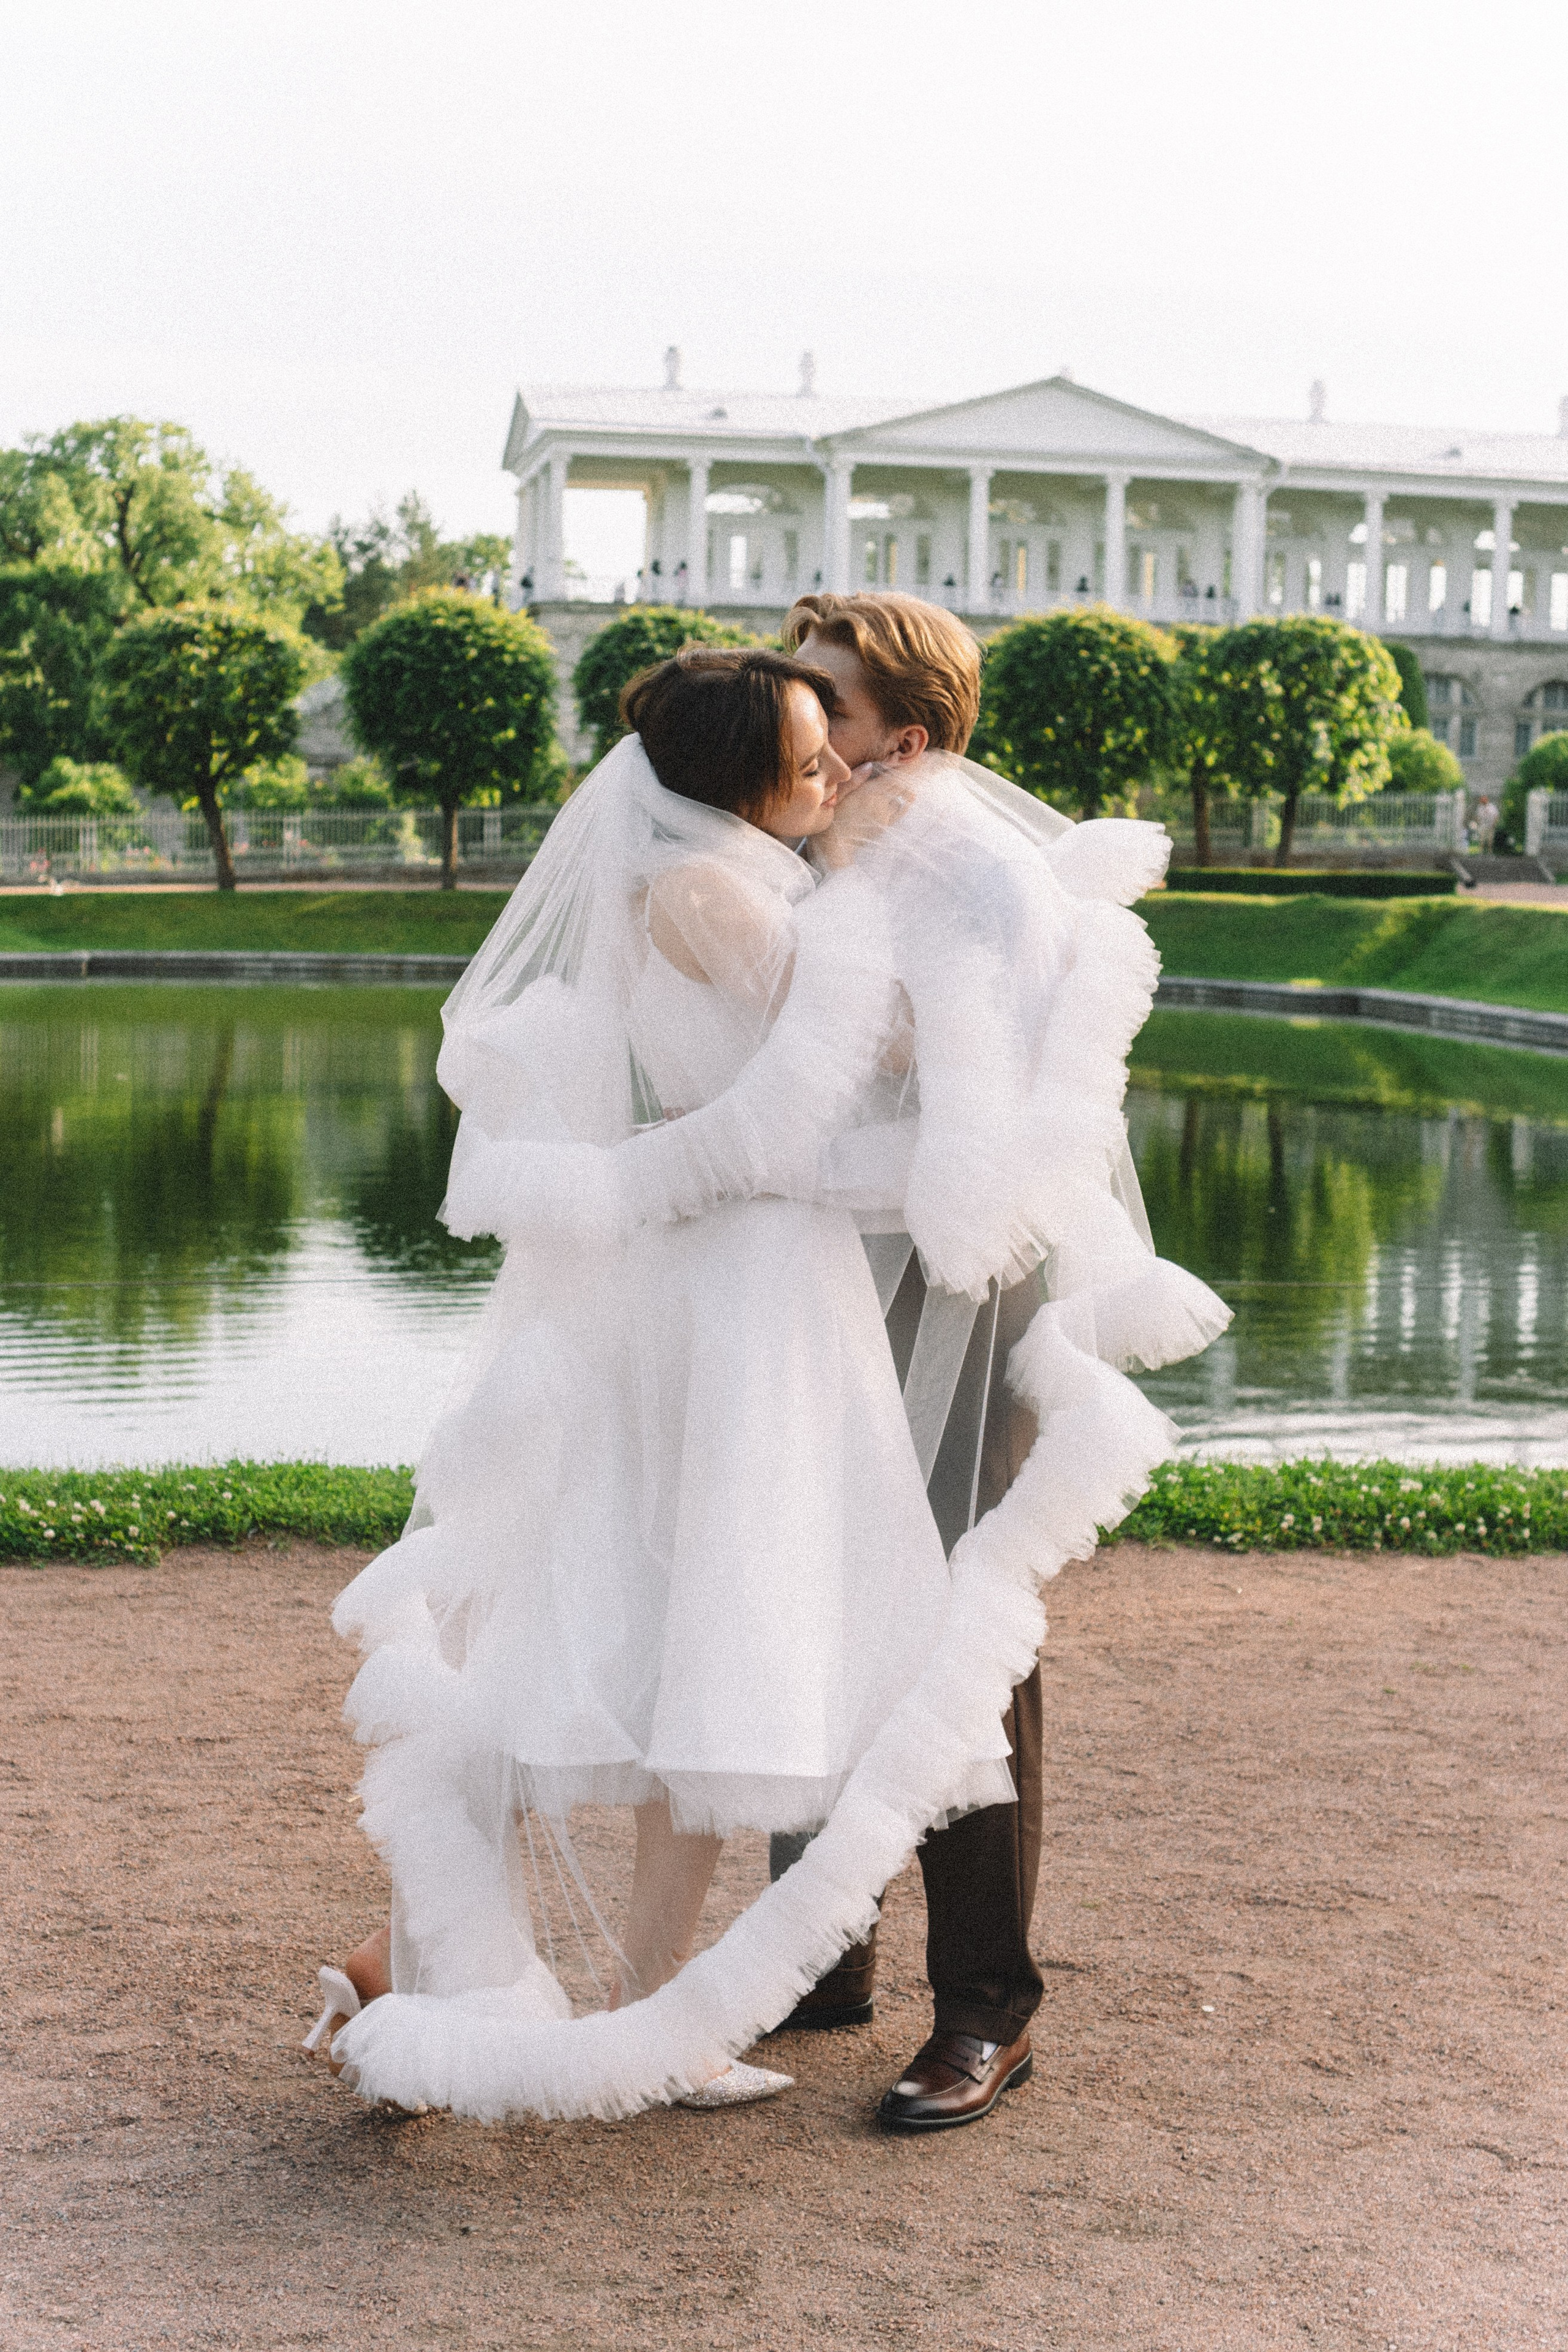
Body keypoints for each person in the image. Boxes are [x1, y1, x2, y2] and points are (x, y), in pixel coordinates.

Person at [417, 595, 1229, 2130]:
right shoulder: (796, 852)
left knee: (951, 1625)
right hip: (809, 1278)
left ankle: (984, 2007)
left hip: (952, 1280)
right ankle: (822, 1953)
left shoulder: (971, 873)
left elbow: (982, 1112)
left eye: (828, 715)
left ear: (901, 738)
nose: (811, 748)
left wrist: (715, 1171)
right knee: (801, 1598)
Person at [312, 647, 1025, 2119]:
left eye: (833, 753)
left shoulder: (737, 872)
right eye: (806, 759)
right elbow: (853, 1056)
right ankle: (531, 1989)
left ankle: (581, 2000)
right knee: (691, 1650)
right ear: (737, 775)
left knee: (705, 1662)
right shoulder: (708, 892)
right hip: (737, 1293)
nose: (831, 778)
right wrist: (904, 905)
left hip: (757, 1277)